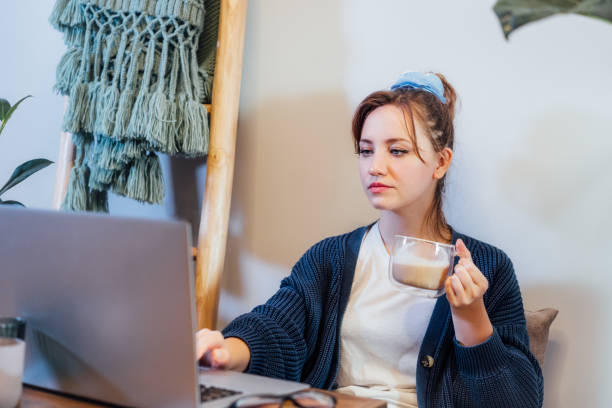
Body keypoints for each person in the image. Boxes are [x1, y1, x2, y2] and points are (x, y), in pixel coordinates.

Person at [195, 71, 543, 407]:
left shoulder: (488, 268)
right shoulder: (329, 259)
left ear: (441, 162)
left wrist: (471, 319)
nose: (375, 166)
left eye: (397, 151)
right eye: (365, 150)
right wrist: (226, 350)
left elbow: (518, 401)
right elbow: (276, 328)